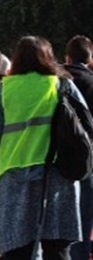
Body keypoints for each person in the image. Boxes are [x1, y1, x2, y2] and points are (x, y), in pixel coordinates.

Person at [0, 36, 84, 259]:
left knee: (17, 249)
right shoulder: (62, 85)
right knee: (57, 249)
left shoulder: (4, 90)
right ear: (49, 58)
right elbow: (85, 125)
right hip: (58, 178)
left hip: (15, 178)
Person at [63, 35, 93, 260]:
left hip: (60, 154)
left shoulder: (59, 80)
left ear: (68, 57)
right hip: (88, 154)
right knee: (84, 213)